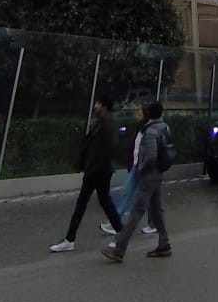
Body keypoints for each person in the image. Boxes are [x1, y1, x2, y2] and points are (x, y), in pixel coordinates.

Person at [49, 94, 120, 252]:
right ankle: (70, 238)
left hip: (98, 171)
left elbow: (109, 148)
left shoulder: (107, 124)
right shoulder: (101, 122)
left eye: (97, 103)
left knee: (96, 203)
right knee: (96, 203)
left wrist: (93, 166)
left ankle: (70, 239)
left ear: (103, 106)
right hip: (95, 170)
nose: (95, 106)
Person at [103, 100, 171, 261]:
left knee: (136, 211)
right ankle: (164, 243)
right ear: (160, 114)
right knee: (156, 210)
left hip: (148, 176)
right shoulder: (164, 127)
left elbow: (151, 156)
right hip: (158, 174)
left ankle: (119, 248)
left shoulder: (150, 132)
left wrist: (141, 168)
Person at [101, 102, 157, 237]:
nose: (136, 115)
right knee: (129, 193)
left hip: (143, 168)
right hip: (136, 166)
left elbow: (149, 151)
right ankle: (117, 221)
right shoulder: (139, 128)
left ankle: (150, 223)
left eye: (139, 113)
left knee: (141, 196)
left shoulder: (149, 130)